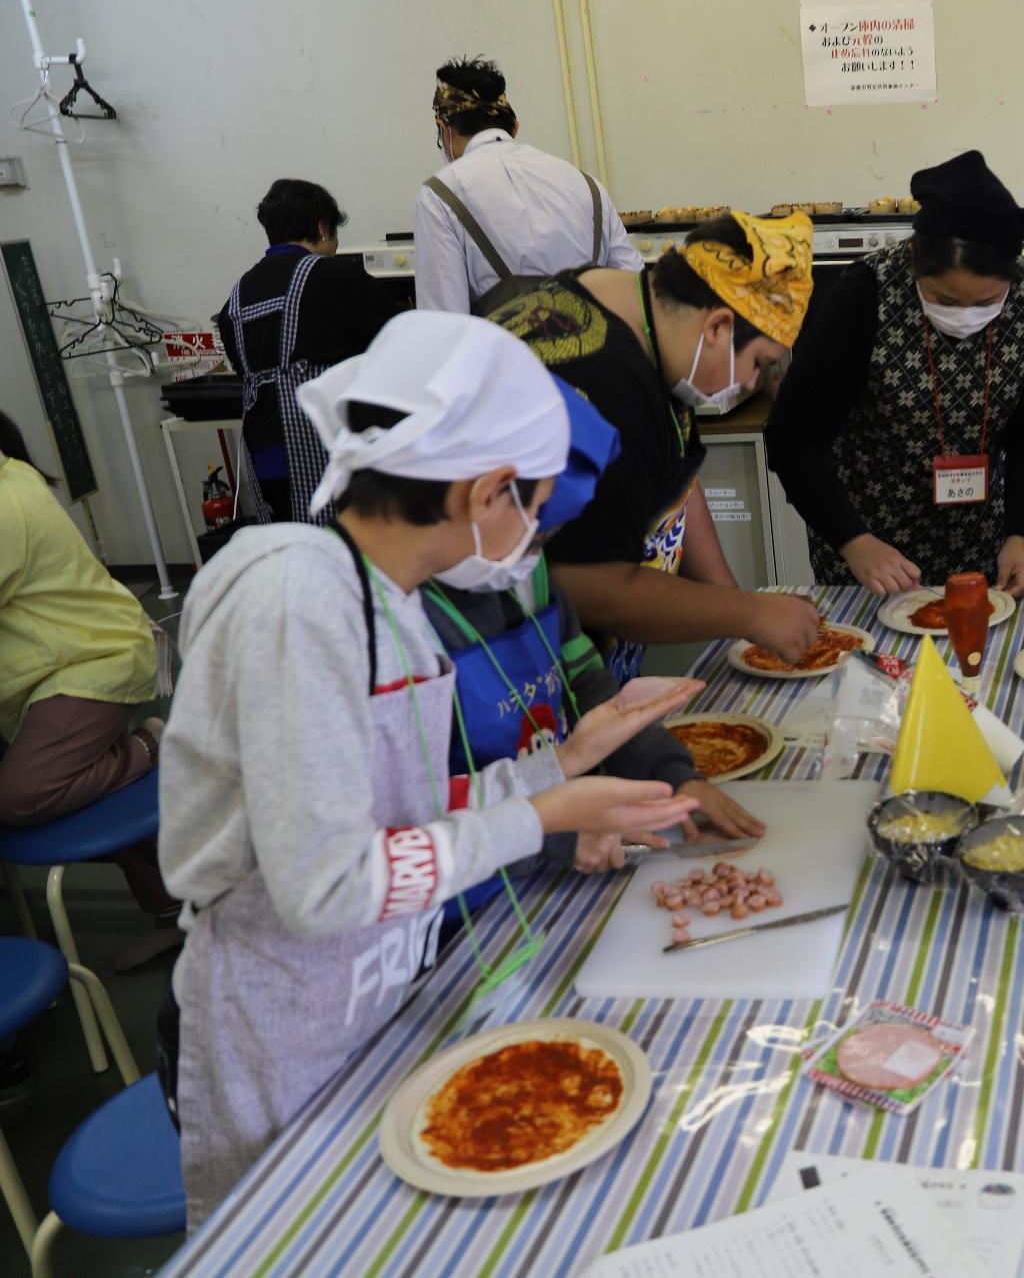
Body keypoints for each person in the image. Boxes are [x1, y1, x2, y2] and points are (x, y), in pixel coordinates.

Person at [158, 312, 703, 1226]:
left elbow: (403, 814)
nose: (532, 537)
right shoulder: (298, 597)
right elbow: (327, 883)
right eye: (532, 508)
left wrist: (564, 761)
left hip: (374, 991)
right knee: (300, 1232)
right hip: (281, 1020)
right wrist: (543, 815)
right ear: (490, 490)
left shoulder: (390, 606)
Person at [421, 378, 765, 932]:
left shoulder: (523, 575)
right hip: (460, 911)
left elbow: (590, 690)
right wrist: (551, 832)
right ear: (481, 493)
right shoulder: (404, 623)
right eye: (532, 525)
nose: (535, 551)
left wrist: (673, 778)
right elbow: (413, 818)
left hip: (553, 869)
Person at [485, 211, 823, 677]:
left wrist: (734, 604)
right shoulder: (602, 385)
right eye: (758, 363)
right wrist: (747, 613)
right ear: (719, 327)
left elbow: (677, 478)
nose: (749, 383)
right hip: (520, 667)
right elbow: (590, 584)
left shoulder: (642, 318)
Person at [766, 151, 1024, 595]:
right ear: (914, 261)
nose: (966, 316)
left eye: (986, 303)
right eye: (946, 300)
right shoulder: (865, 294)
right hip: (873, 547)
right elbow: (793, 439)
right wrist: (855, 542)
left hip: (987, 541)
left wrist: (1021, 534)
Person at [0, 411, 178, 943]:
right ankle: (173, 902)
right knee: (79, 786)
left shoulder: (6, 504)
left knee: (20, 797)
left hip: (89, 664)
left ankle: (148, 743)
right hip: (46, 669)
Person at [215, 179, 397, 522]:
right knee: (342, 536)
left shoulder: (235, 299)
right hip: (322, 436)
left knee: (290, 536)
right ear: (322, 227)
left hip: (264, 445)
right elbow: (400, 333)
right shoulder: (336, 277)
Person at [415, 55, 640, 315]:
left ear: (445, 130)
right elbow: (633, 290)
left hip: (508, 355)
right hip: (602, 352)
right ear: (515, 128)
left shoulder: (440, 196)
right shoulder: (587, 184)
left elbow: (445, 322)